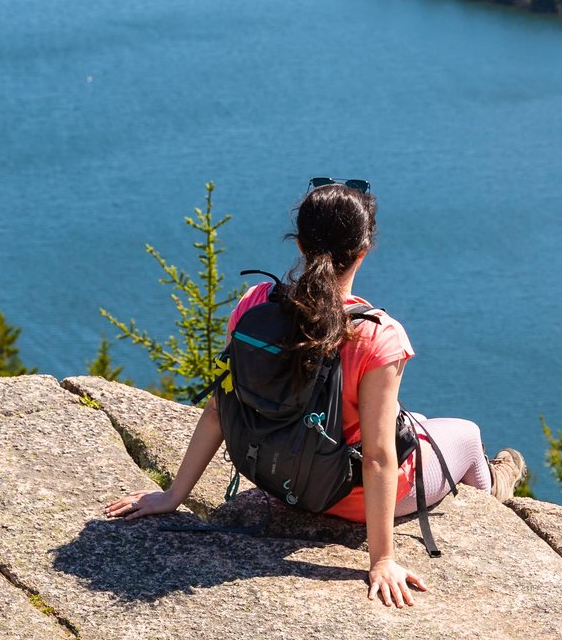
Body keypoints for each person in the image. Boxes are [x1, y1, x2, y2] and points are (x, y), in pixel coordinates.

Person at [105, 178, 513, 607]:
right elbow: (377, 457)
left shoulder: (254, 303)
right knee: (465, 432)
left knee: (422, 424)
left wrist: (174, 496)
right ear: (364, 249)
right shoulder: (377, 336)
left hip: (276, 477)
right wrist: (382, 559)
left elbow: (220, 407)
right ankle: (494, 503)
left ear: (299, 243)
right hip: (347, 497)